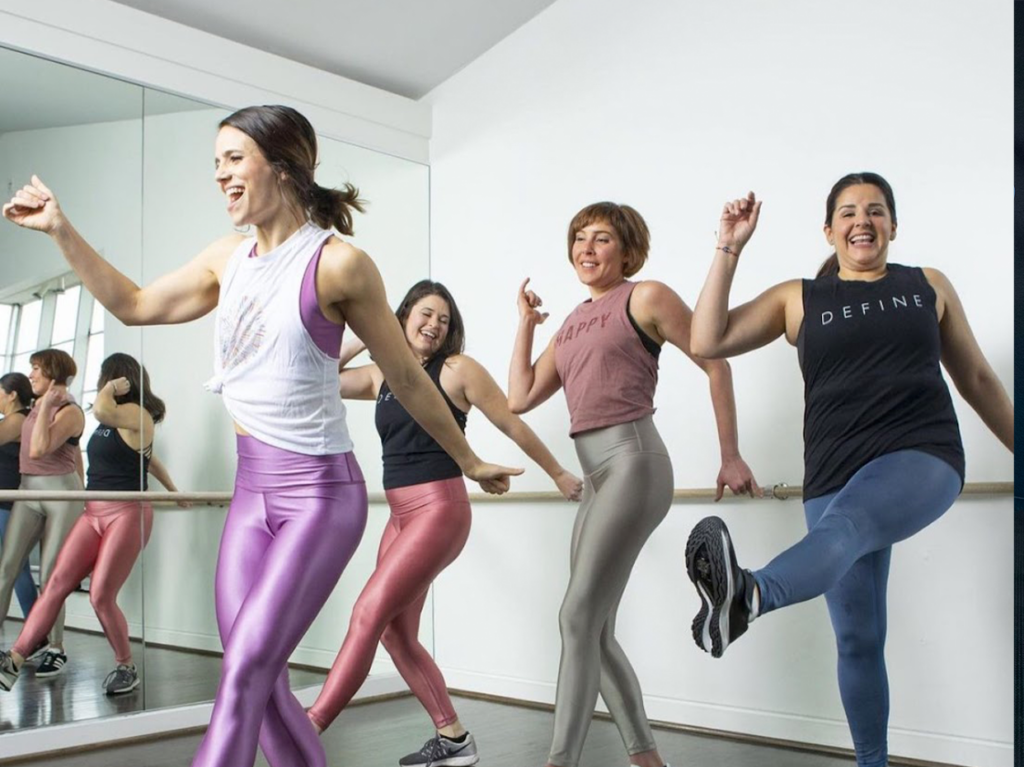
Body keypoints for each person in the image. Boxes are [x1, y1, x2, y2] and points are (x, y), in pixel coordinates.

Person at [1, 105, 520, 767]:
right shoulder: (229, 257)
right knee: (261, 679)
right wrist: (59, 230)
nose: (220, 174)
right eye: (215, 161)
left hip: (320, 499)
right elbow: (135, 303)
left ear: (282, 165)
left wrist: (469, 458)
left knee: (244, 670)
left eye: (233, 158)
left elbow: (411, 382)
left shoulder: (339, 265)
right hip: (252, 497)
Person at [683, 174, 1014, 767]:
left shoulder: (926, 286)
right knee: (858, 639)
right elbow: (707, 340)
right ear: (829, 228)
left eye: (877, 210)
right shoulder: (799, 298)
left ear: (892, 225)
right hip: (833, 471)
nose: (863, 220)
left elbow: (980, 381)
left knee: (850, 527)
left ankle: (749, 595)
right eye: (849, 211)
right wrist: (728, 247)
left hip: (923, 453)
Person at [508, 202, 758, 767]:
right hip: (596, 477)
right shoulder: (571, 323)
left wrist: (730, 454)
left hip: (634, 462)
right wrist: (525, 326)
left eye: (600, 239)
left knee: (575, 617)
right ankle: (647, 760)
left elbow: (715, 360)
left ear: (627, 250)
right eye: (579, 238)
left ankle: (559, 762)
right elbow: (520, 397)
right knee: (591, 627)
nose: (586, 249)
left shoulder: (644, 297)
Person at [306, 279, 583, 766]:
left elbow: (511, 422)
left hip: (438, 510)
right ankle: (454, 740)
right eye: (425, 314)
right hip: (399, 516)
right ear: (403, 315)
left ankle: (308, 728)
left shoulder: (457, 370)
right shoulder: (381, 376)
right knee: (395, 634)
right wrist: (373, 334)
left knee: (368, 614)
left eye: (444, 320)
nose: (434, 325)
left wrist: (557, 472)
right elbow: (319, 374)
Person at [0, 352, 184, 695]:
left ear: (116, 379)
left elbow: (101, 409)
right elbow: (148, 457)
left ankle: (126, 666)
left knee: (100, 595)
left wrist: (111, 388)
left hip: (127, 513)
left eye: (104, 377)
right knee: (55, 582)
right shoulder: (115, 422)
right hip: (93, 511)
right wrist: (173, 488)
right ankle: (15, 658)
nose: (100, 383)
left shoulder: (131, 412)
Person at [0, 349, 84, 677]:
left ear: (53, 373)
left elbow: (38, 449)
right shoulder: (34, 406)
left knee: (51, 575)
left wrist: (49, 404)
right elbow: (73, 454)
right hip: (28, 490)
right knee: (6, 568)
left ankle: (56, 647)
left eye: (36, 369)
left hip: (61, 493)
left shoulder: (70, 411)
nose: (31, 375)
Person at [0, 373, 39, 622]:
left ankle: (38, 631)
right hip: (6, 501)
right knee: (14, 567)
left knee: (15, 568)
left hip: (8, 504)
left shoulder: (18, 419)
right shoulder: (14, 419)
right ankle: (37, 632)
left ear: (12, 394)